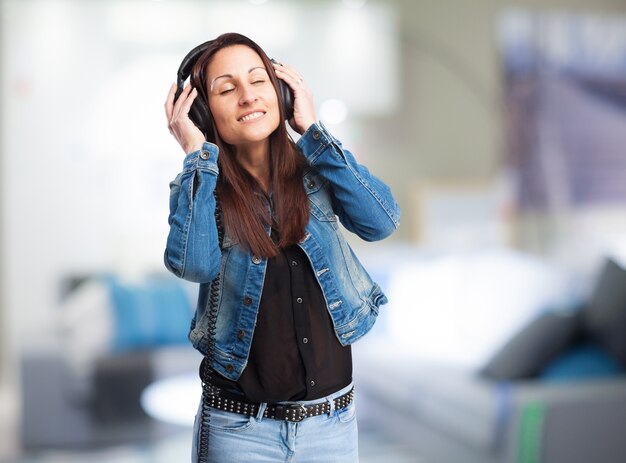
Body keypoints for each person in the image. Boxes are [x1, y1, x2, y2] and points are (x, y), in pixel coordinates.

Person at [163, 32, 400, 463]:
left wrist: (313, 130)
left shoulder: (319, 165)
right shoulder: (203, 188)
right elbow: (194, 265)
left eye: (258, 81)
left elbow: (381, 222)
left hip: (332, 426)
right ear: (202, 111)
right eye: (227, 88)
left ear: (282, 93)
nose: (248, 97)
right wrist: (195, 153)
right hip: (239, 431)